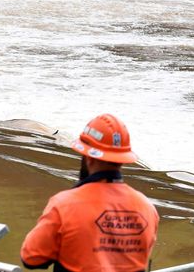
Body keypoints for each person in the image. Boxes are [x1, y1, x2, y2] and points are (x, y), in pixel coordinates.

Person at [20, 114, 160, 272]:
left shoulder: (64, 205)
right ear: (122, 159)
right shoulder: (147, 208)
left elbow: (31, 257)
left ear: (88, 156)